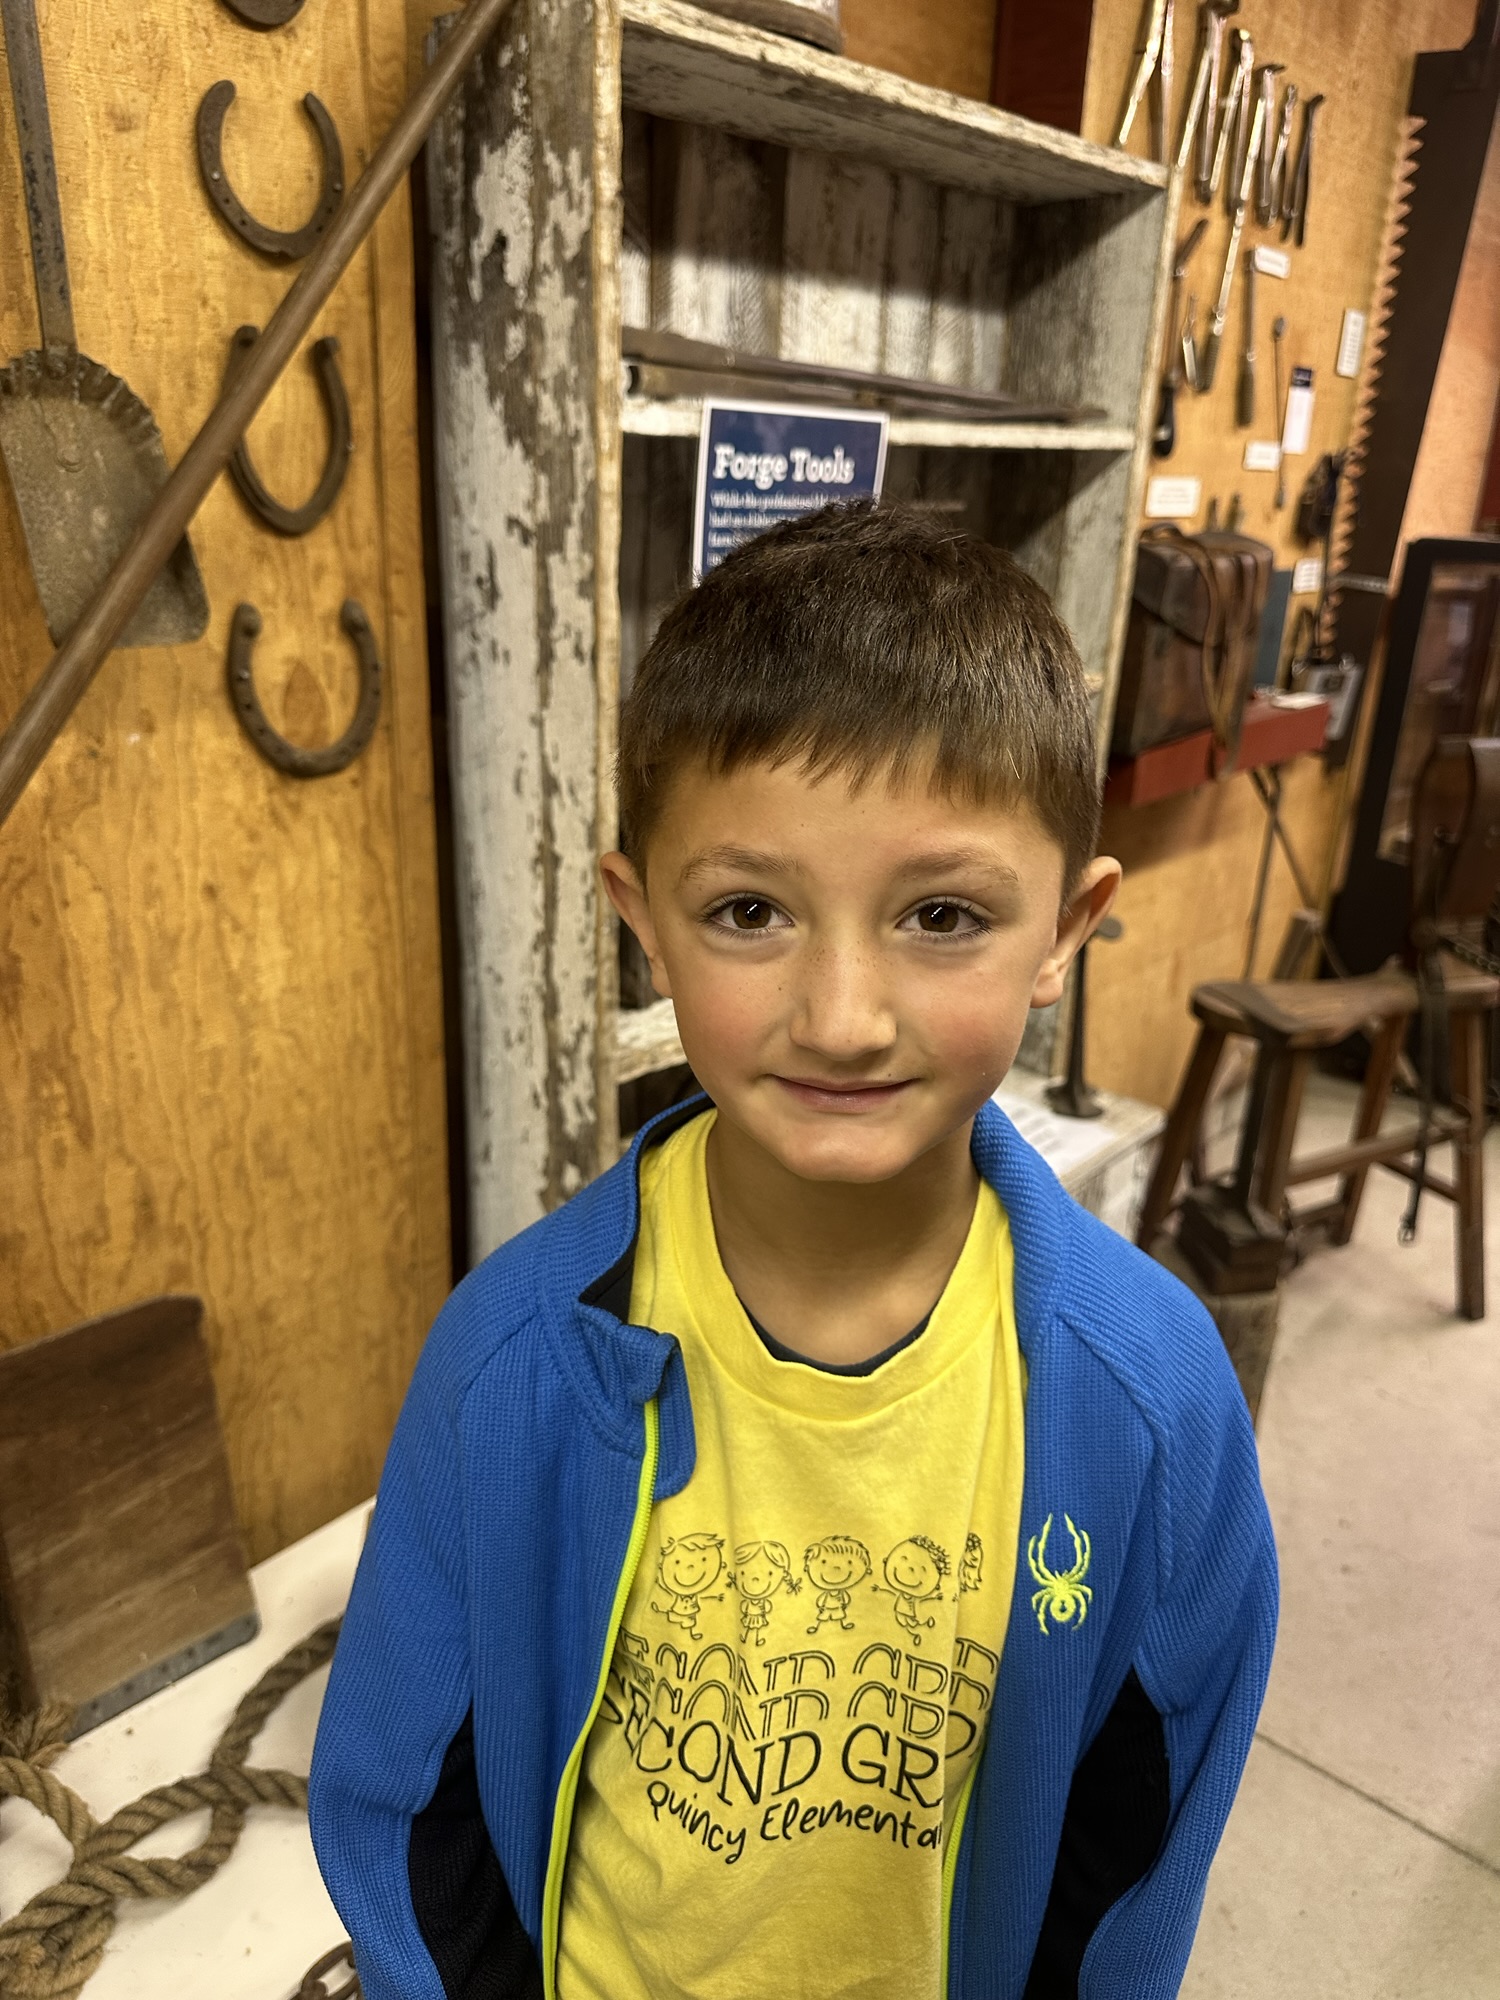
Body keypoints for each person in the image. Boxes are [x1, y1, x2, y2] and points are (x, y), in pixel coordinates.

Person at [309, 504, 1278, 2000]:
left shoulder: (1154, 1404)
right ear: (643, 919)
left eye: (941, 915)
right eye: (749, 910)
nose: (840, 1016)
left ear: (1065, 929)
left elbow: (1136, 1843)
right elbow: (403, 1801)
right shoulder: (508, 1364)